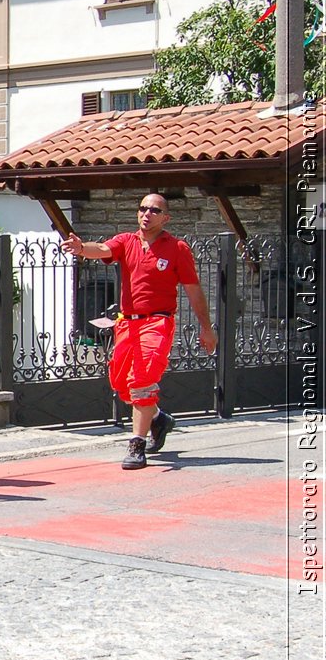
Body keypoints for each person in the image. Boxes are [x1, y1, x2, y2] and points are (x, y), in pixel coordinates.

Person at [61, 192, 216, 470]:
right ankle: (158, 418)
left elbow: (194, 291)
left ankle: (136, 444)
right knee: (121, 384)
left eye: (154, 210)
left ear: (165, 217)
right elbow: (104, 250)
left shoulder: (177, 248)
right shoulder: (126, 241)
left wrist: (206, 327)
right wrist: (82, 247)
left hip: (157, 322)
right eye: (142, 208)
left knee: (141, 380)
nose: (146, 214)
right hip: (126, 323)